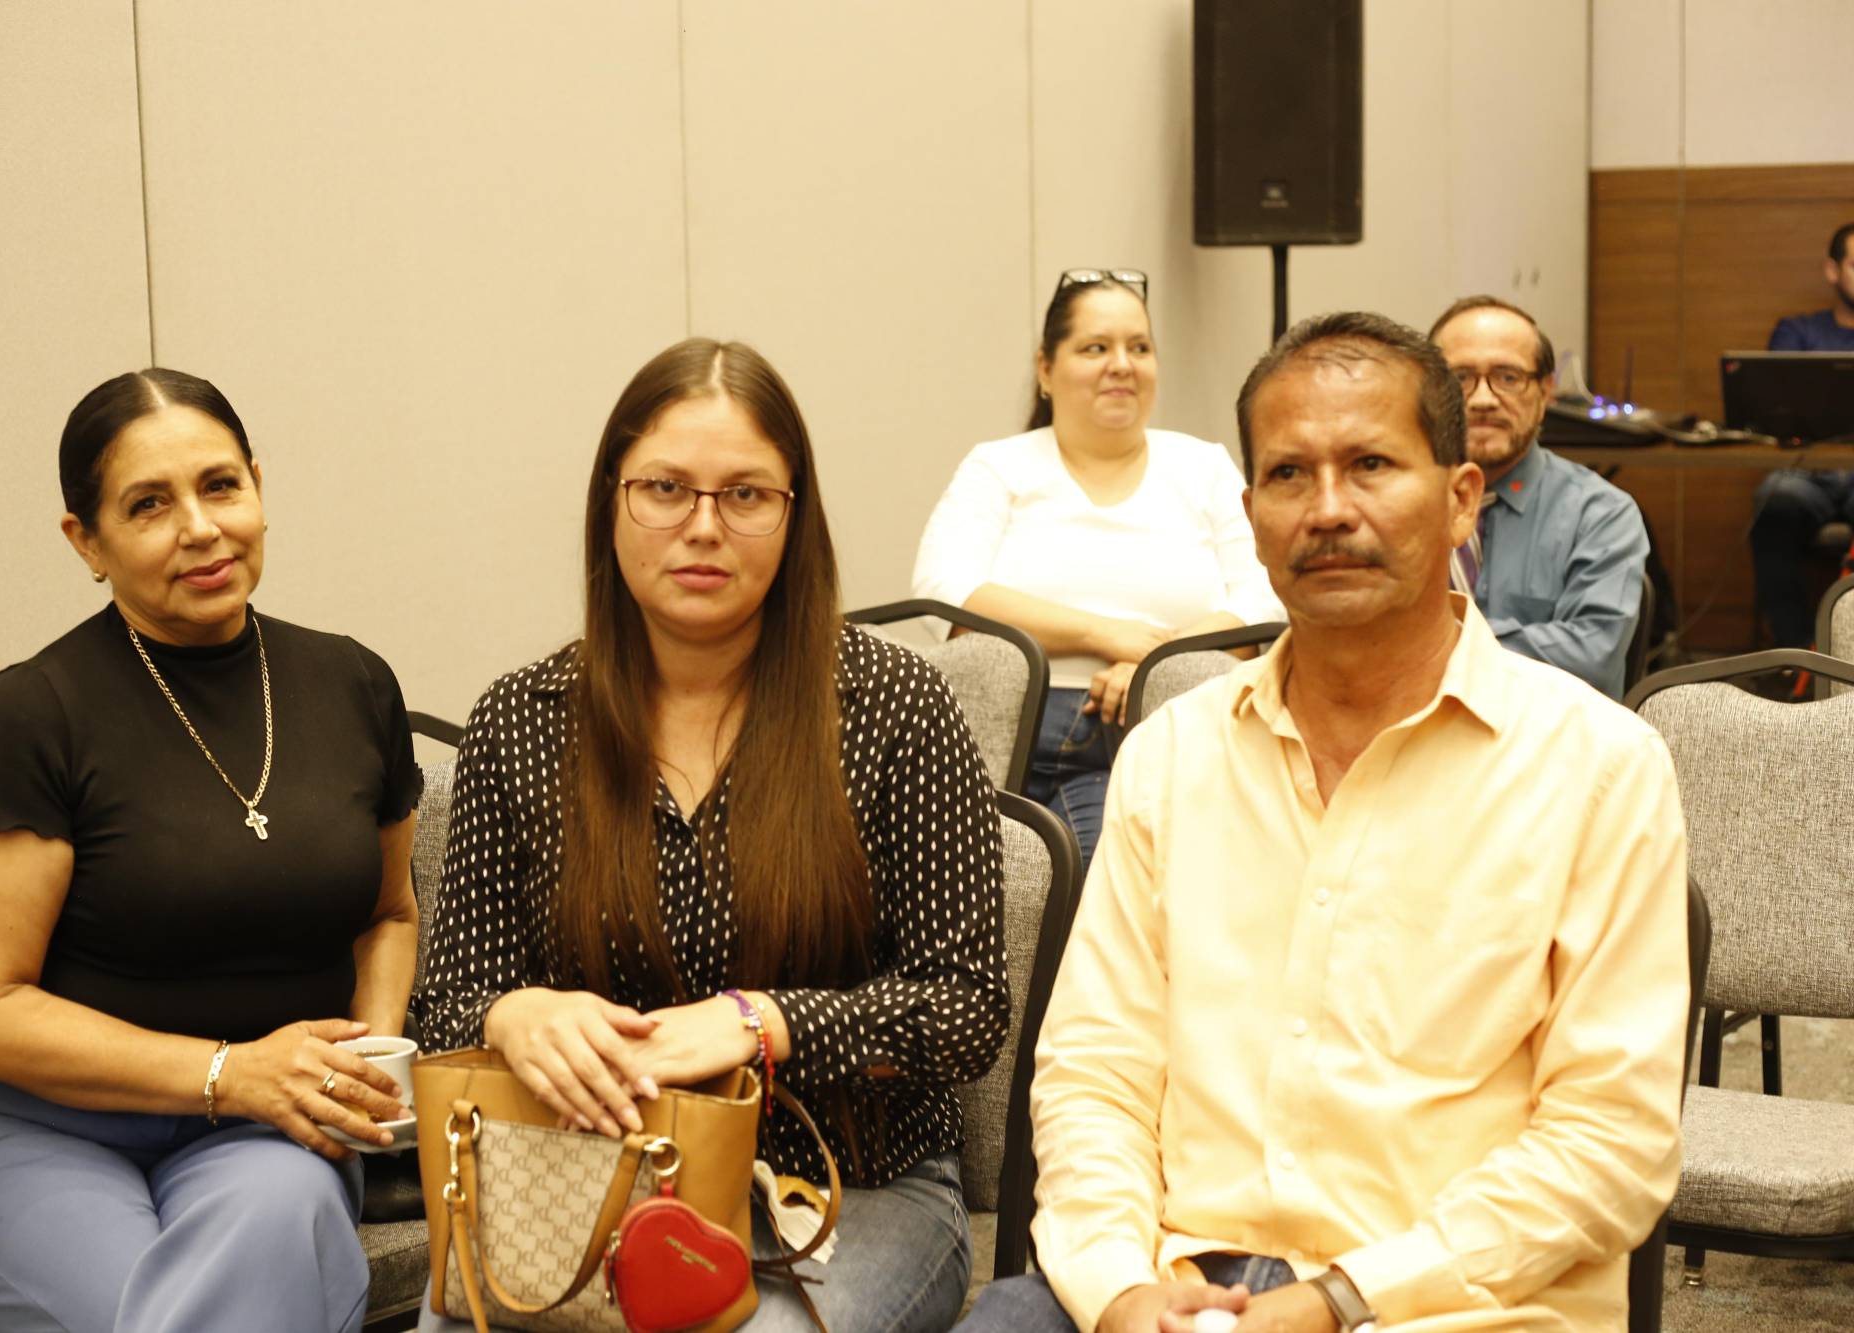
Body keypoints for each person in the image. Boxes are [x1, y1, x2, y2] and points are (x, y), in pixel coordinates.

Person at [963, 312, 1688, 1333]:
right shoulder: (1172, 757)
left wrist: (1340, 1297)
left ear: (1460, 500)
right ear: (1251, 514)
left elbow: (1609, 1141)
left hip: (1447, 1302)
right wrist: (1117, 1285)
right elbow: (1095, 1073)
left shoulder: (1597, 768)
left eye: (1371, 465)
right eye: (1289, 475)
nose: (1329, 509)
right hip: (1173, 1276)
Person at [413, 338, 1009, 1332]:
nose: (702, 526)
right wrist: (514, 1013)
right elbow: (445, 1004)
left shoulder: (894, 706)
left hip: (847, 1186)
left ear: (794, 513)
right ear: (611, 501)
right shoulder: (522, 720)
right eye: (665, 488)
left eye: (744, 495)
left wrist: (763, 1023)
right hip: (585, 1179)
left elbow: (966, 1008)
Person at [0, 370, 424, 1332]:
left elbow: (388, 913)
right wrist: (227, 1069)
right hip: (27, 1125)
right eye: (149, 504)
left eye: (220, 485)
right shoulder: (38, 710)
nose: (201, 527)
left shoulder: (352, 683)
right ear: (85, 541)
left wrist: (359, 1066)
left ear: (258, 486)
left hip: (261, 1132)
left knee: (274, 1232)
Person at [911, 268, 1281, 867]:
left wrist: (1154, 663)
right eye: (1095, 348)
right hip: (1009, 734)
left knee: (1112, 874)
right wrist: (1104, 635)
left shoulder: (1203, 466)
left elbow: (1264, 598)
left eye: (1139, 347)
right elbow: (945, 590)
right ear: (1045, 369)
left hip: (1169, 727)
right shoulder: (999, 467)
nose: (1122, 365)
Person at [1428, 295, 1648, 697]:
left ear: (1546, 393)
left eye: (1508, 377)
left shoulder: (1600, 514)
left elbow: (1591, 660)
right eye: (1460, 377)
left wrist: (1429, 640)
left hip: (1549, 732)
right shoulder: (1394, 503)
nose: (1482, 399)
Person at [1750, 222, 1854, 647]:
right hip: (1807, 474)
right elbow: (1776, 404)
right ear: (1832, 270)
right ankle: (1792, 654)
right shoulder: (1798, 332)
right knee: (1774, 500)